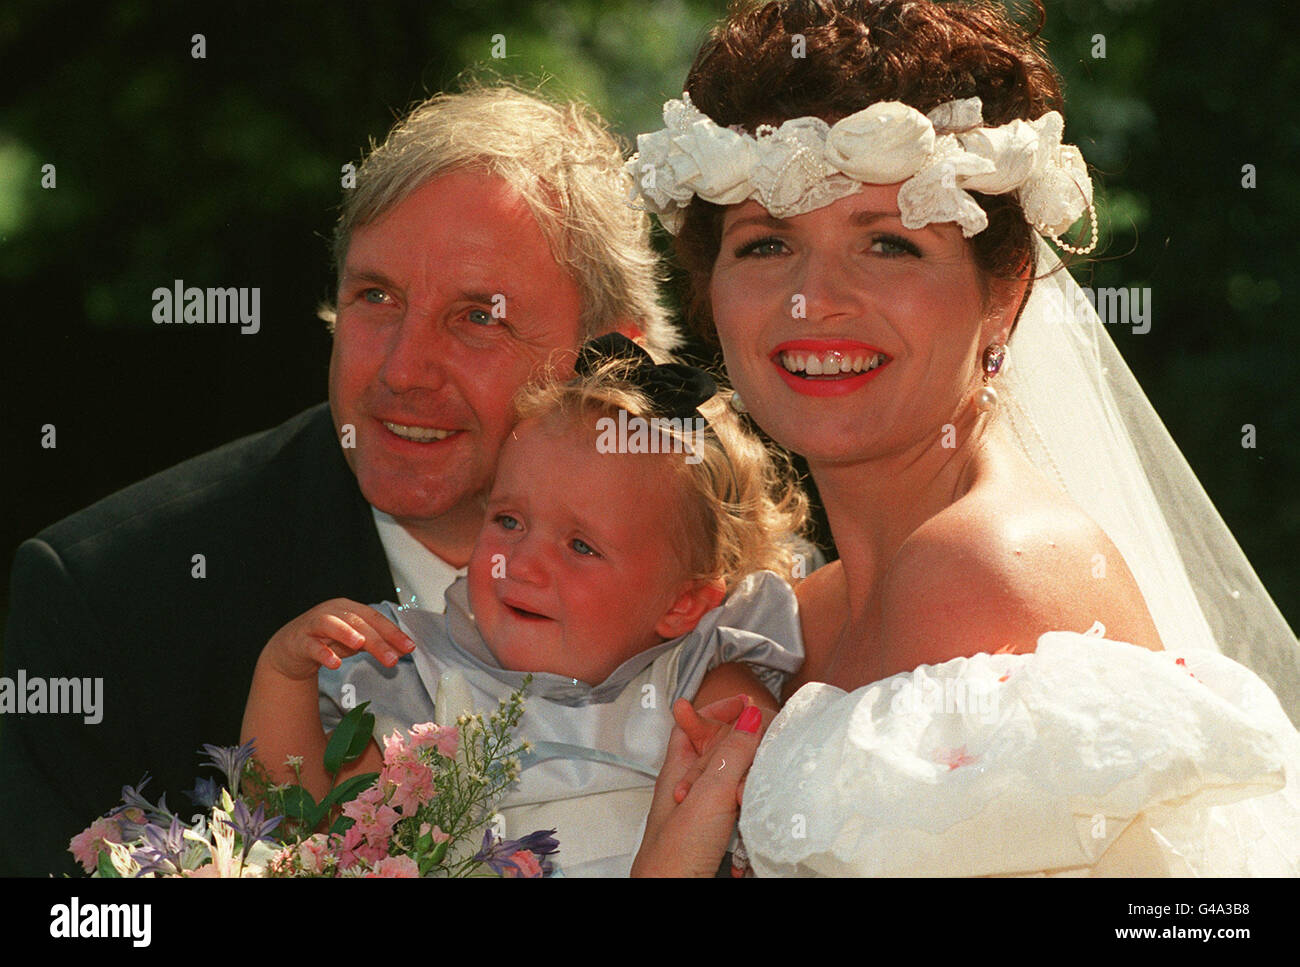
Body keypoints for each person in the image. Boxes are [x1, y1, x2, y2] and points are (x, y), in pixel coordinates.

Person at [630, 0, 1300, 876]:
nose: (814, 299)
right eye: (765, 246)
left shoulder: (985, 571)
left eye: (889, 246)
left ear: (1006, 292)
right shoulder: (801, 613)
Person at [0, 85, 679, 877]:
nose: (402, 370)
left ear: (609, 360)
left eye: (478, 317)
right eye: (376, 297)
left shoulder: (716, 576)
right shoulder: (110, 599)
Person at [243, 335, 807, 875]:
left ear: (683, 604)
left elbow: (774, 789)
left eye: (580, 546)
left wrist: (744, 758)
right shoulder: (419, 673)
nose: (522, 563)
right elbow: (301, 828)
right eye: (509, 520)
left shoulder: (695, 675)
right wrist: (281, 675)